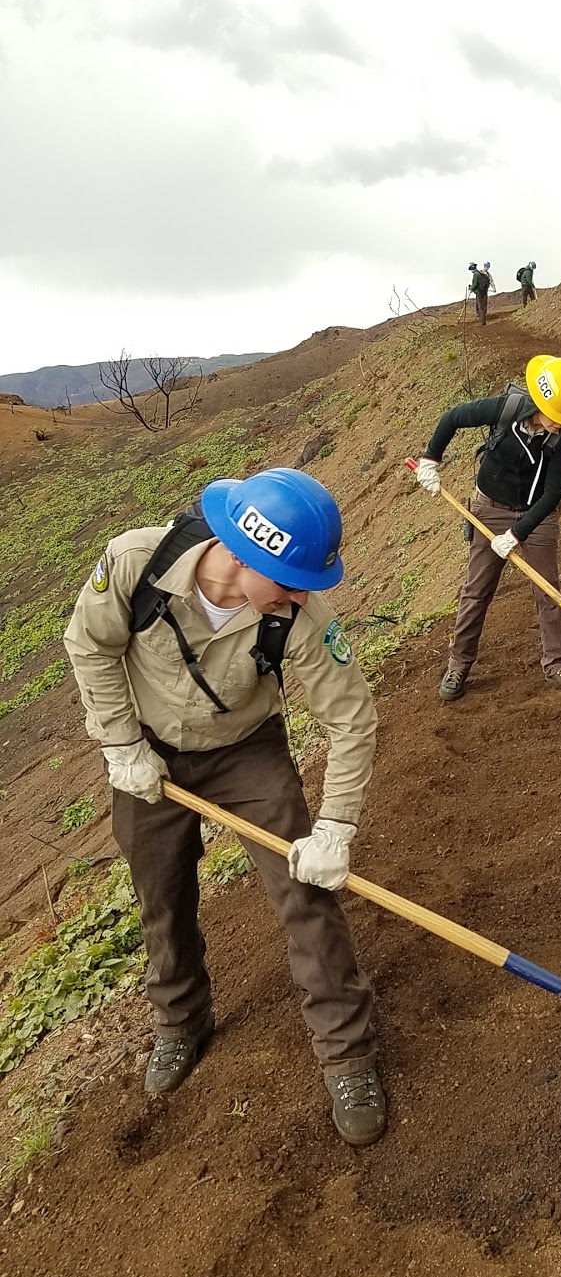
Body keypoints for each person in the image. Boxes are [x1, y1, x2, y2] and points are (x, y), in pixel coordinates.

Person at [63, 469, 386, 1148]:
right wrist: (121, 743)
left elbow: (352, 720)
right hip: (147, 752)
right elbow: (89, 644)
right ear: (243, 554)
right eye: (292, 578)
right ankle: (182, 1021)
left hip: (246, 752)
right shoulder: (135, 564)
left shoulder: (297, 615)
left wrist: (334, 828)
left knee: (306, 892)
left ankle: (347, 1055)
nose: (301, 594)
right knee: (162, 894)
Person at [414, 355, 561, 699]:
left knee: (547, 589)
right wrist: (430, 460)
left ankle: (556, 662)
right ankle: (459, 664)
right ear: (540, 402)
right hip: (489, 510)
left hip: (536, 516)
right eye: (558, 416)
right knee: (476, 590)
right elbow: (452, 418)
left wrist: (517, 533)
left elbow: (553, 493)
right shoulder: (506, 409)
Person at [469, 261, 491, 326]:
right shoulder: (480, 273)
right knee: (482, 306)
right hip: (484, 291)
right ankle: (482, 319)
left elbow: (475, 284)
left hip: (479, 292)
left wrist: (471, 288)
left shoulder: (475, 274)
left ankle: (482, 321)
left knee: (480, 306)